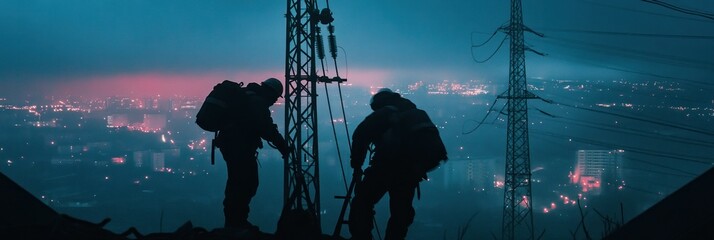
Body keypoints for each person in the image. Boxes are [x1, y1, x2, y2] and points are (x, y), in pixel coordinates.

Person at [348, 88, 439, 240]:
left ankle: (361, 237)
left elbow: (360, 135)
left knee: (362, 202)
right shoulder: (416, 113)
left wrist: (356, 166)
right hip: (410, 172)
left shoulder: (385, 113)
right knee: (401, 213)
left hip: (385, 168)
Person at [216, 77, 289, 232]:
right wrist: (283, 146)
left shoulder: (248, 97)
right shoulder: (257, 102)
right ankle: (237, 222)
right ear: (270, 93)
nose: (274, 101)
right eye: (275, 98)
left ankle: (234, 221)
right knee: (245, 184)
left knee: (238, 183)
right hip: (239, 148)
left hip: (232, 146)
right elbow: (267, 129)